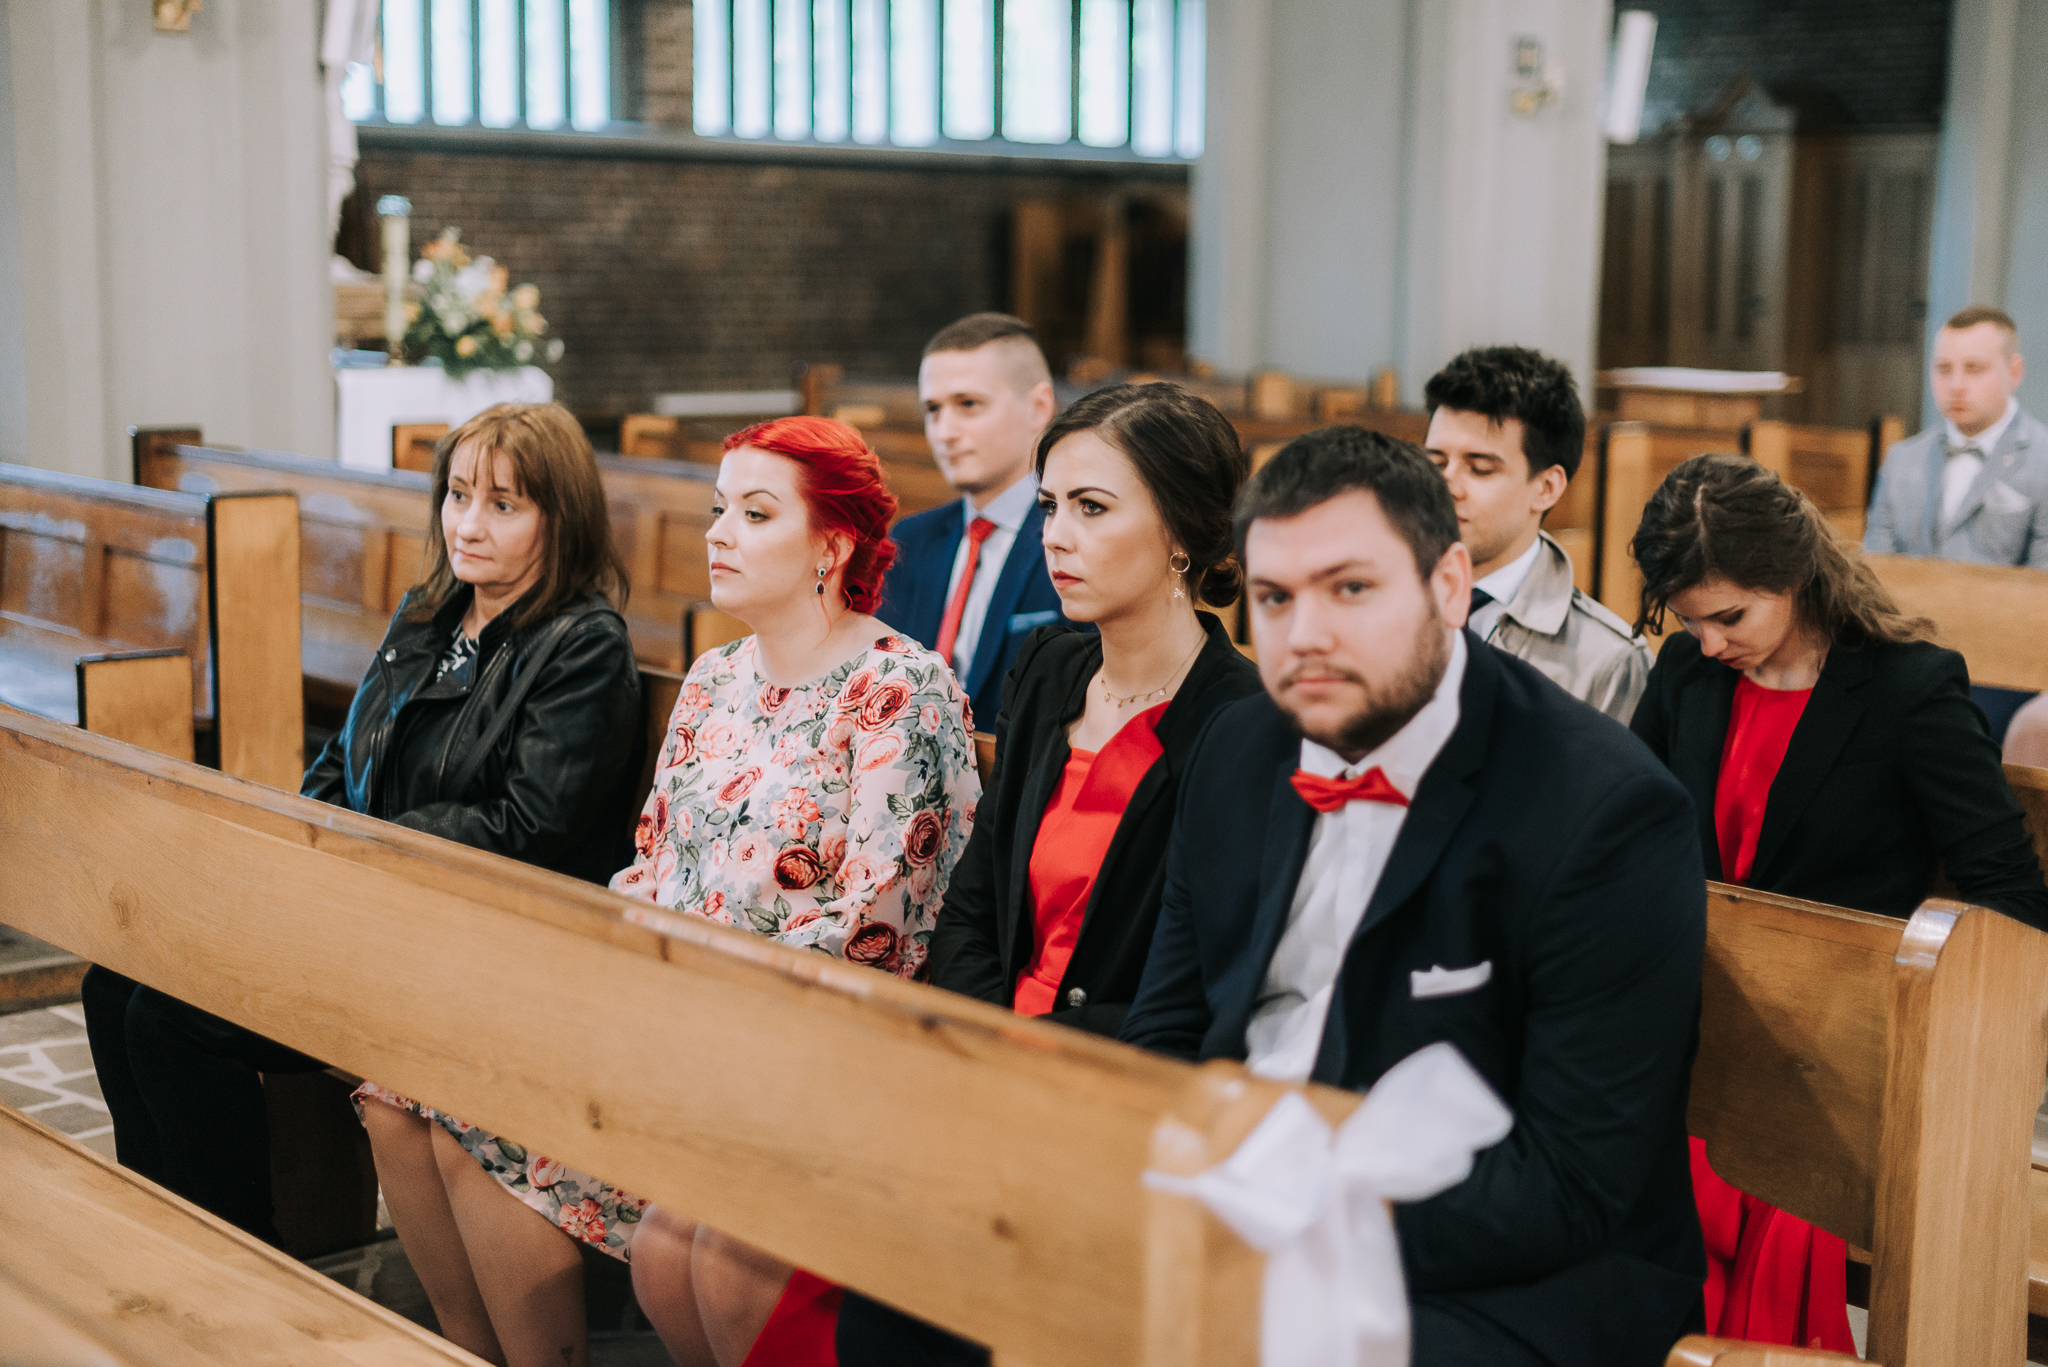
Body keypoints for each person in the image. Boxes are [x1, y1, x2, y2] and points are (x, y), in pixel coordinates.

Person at [1121, 425, 1708, 1366]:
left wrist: (1298, 1215)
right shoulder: (1237, 748)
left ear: (1448, 586)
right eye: (1275, 597)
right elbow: (1168, 1027)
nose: (1306, 635)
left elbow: (1570, 1183)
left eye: (1351, 588)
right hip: (1240, 1190)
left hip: (1502, 1267)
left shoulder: (1604, 810)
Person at [82, 402, 645, 1267]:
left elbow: (527, 824)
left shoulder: (582, 647)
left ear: (560, 517)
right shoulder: (430, 615)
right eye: (458, 494)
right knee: (113, 977)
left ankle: (237, 1262)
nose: (468, 523)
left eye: (503, 504)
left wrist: (363, 849)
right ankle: (167, 1234)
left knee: (173, 1020)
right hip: (367, 901)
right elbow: (341, 757)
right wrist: (302, 844)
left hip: (470, 940)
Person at [1629, 452, 2048, 1352]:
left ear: (1791, 576)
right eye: (1689, 619)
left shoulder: (1907, 688)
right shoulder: (1689, 672)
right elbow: (1627, 839)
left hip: (1837, 1064)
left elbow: (2012, 896)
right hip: (1693, 1031)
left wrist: (1946, 1048)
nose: (1709, 643)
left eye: (1730, 617)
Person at [606, 415, 980, 1367]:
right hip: (682, 1024)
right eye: (718, 508)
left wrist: (704, 1013)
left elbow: (877, 927)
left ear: (831, 545)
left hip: (820, 1044)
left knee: (700, 1256)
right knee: (432, 1106)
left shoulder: (900, 687)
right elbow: (650, 864)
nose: (718, 533)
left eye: (755, 513)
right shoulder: (713, 676)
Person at [1423, 345, 1651, 722]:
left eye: (1480, 469)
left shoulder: (1606, 661)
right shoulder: (1378, 598)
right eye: (1436, 463)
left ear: (1546, 488)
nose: (1447, 485)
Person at [878, 313, 1070, 726]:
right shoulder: (909, 541)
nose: (944, 431)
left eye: (968, 404)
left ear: (1038, 408)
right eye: (933, 409)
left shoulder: (1073, 538)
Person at [1865, 305, 2046, 742]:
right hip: (1907, 653)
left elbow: (2043, 588)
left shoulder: (2043, 461)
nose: (1956, 384)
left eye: (1975, 369)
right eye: (1943, 369)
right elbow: (1875, 573)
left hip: (2002, 667)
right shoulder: (1903, 459)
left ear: (2014, 371)